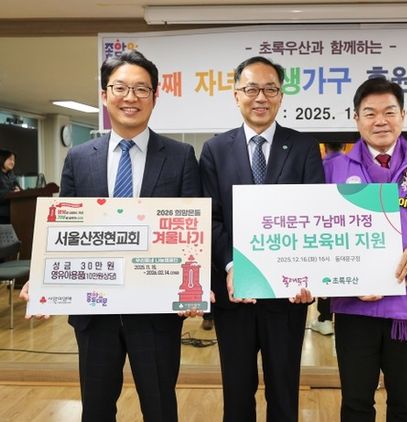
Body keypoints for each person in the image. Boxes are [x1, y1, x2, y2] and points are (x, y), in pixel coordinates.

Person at [21, 50, 204, 422]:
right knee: (96, 408)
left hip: (155, 311)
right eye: (120, 88)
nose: (130, 97)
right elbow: (65, 228)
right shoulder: (79, 157)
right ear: (105, 95)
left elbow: (192, 233)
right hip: (94, 312)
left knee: (160, 407)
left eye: (141, 89)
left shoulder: (181, 156)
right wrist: (41, 280)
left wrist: (196, 286)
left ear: (155, 96)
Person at [324, 77, 407, 421]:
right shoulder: (332, 170)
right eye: (370, 113)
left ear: (404, 116)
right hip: (354, 309)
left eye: (389, 112)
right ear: (356, 119)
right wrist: (346, 278)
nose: (380, 121)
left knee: (405, 405)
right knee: (355, 404)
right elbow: (316, 232)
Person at [199, 56, 324, 422]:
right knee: (237, 393)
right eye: (251, 88)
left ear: (281, 96)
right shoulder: (215, 149)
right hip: (233, 292)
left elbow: (314, 216)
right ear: (236, 94)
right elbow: (212, 217)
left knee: (284, 392)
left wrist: (307, 273)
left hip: (287, 298)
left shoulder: (303, 147)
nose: (261, 97)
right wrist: (232, 265)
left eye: (270, 89)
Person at [308, 143, 345, 336]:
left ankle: (325, 319)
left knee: (326, 276)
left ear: (323, 147)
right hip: (348, 231)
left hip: (322, 231)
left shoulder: (319, 166)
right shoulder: (353, 166)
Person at [0, 149, 21, 224]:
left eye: (14, 160)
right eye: (10, 159)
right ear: (2, 159)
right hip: (1, 215)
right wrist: (12, 193)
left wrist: (19, 191)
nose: (12, 162)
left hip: (13, 213)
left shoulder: (12, 174)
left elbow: (18, 189)